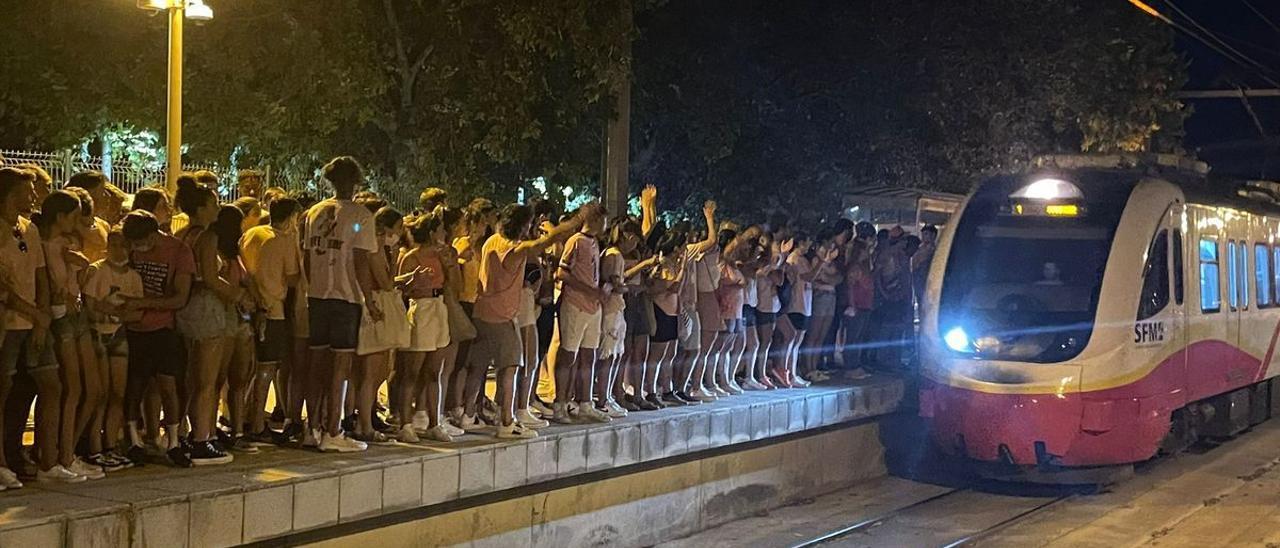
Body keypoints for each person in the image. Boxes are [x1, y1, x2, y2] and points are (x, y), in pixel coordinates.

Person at [466, 202, 599, 439]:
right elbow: (542, 243)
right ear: (522, 225)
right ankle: (507, 422)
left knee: (478, 366)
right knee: (510, 369)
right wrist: (577, 220)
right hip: (502, 316)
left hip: (482, 311)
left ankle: (467, 414)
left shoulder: (491, 242)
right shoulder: (512, 248)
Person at [302, 156, 378, 453]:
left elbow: (308, 256)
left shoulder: (314, 213)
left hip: (318, 295)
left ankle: (312, 427)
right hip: (346, 298)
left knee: (316, 363)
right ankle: (333, 429)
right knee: (340, 365)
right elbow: (360, 261)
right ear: (355, 181)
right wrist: (369, 300)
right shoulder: (360, 215)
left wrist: (313, 286)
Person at [0, 168, 68, 484]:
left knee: (50, 384)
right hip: (10, 323)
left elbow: (40, 272)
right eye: (27, 192)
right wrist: (31, 312)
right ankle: (3, 462)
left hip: (33, 323)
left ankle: (48, 461)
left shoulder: (29, 229)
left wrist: (41, 316)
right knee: (4, 390)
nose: (33, 197)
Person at [35, 190, 105, 479]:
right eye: (74, 216)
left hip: (76, 315)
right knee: (72, 388)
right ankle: (59, 455)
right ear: (61, 217)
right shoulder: (43, 245)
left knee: (92, 388)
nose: (80, 222)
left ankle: (69, 450)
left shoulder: (66, 243)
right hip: (61, 318)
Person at [173, 178, 240, 465]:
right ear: (201, 208)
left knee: (191, 376)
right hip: (207, 308)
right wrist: (237, 294)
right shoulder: (208, 237)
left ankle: (189, 433)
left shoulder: (184, 233)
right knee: (208, 379)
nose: (218, 208)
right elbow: (211, 278)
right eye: (213, 203)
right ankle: (203, 438)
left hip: (187, 306)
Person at [121, 209, 194, 467]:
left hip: (163, 328)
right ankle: (134, 439)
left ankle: (173, 440)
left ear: (154, 234)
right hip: (132, 329)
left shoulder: (178, 251)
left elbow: (180, 297)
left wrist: (143, 303)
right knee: (135, 385)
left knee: (168, 383)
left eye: (143, 242)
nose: (140, 248)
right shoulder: (128, 248)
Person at [240, 198, 303, 443]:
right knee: (267, 367)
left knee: (253, 367)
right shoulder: (283, 240)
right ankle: (257, 423)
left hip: (249, 305)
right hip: (273, 308)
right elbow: (293, 277)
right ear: (289, 218)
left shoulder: (253, 234)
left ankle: (245, 416)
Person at [82, 229, 144, 470]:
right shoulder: (98, 271)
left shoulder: (133, 278)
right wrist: (112, 311)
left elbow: (136, 311)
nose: (118, 250)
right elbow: (89, 306)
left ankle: (110, 443)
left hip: (119, 335)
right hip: (98, 333)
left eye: (122, 245)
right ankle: (94, 447)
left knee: (118, 393)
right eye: (113, 244)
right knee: (101, 393)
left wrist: (112, 311)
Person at [350, 206, 409, 445]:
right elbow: (385, 282)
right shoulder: (373, 247)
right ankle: (363, 423)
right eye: (397, 229)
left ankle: (366, 418)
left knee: (379, 369)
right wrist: (393, 258)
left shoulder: (376, 246)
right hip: (375, 304)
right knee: (371, 372)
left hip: (377, 301)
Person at [395, 211, 452, 442]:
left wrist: (450, 265)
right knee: (412, 371)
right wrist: (415, 280)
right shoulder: (411, 257)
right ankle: (405, 423)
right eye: (440, 230)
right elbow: (400, 290)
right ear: (431, 233)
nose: (444, 234)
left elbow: (453, 286)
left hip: (439, 306)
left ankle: (434, 422)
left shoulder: (442, 256)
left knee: (434, 371)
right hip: (421, 306)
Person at [550, 208, 609, 424]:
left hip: (593, 306)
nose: (605, 225)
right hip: (575, 304)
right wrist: (589, 290)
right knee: (568, 355)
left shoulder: (594, 243)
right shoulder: (575, 241)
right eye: (603, 220)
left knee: (589, 355)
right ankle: (560, 403)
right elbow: (562, 272)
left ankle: (585, 403)